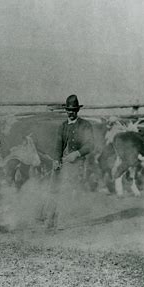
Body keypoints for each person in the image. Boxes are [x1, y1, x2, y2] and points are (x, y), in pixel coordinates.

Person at [40, 94, 94, 229]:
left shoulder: (85, 125)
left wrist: (77, 153)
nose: (71, 113)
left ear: (78, 111)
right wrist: (56, 160)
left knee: (66, 189)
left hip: (77, 163)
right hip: (63, 162)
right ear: (66, 111)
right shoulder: (63, 126)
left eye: (74, 110)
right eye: (69, 110)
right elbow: (59, 145)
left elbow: (90, 145)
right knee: (53, 188)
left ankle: (62, 220)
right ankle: (49, 219)